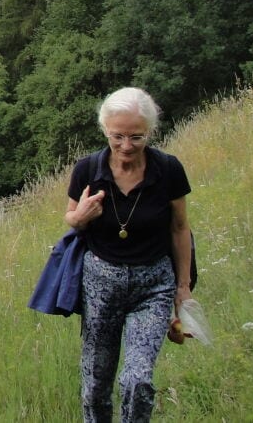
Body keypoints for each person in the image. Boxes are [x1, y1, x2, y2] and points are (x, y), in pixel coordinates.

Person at [64, 86, 193, 423]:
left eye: (136, 137)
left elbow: (180, 229)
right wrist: (81, 218)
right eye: (117, 136)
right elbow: (71, 217)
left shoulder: (168, 169)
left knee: (137, 380)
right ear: (105, 130)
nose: (125, 146)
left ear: (149, 132)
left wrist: (183, 287)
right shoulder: (87, 169)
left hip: (154, 287)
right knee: (96, 383)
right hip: (100, 287)